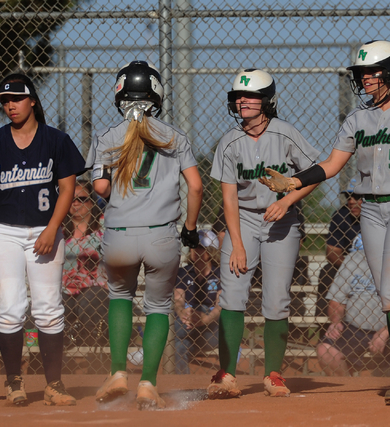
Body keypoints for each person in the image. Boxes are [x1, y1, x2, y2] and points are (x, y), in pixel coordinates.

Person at [260, 40, 390, 405]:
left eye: (373, 72)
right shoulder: (358, 118)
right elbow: (331, 165)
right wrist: (294, 182)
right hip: (370, 211)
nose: (366, 79)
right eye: (361, 74)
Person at [87, 61, 202, 410]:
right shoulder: (174, 136)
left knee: (120, 298)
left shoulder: (106, 137)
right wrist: (191, 229)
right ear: (157, 95)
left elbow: (100, 187)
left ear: (120, 94)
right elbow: (195, 186)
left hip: (119, 233)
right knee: (158, 307)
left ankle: (119, 372)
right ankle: (148, 384)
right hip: (161, 235)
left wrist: (123, 198)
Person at [0, 73, 85, 406]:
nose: (10, 106)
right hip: (2, 231)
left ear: (32, 100)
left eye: (16, 99)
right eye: (5, 101)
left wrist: (52, 228)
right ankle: (13, 381)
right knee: (10, 306)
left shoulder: (56, 140)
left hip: (44, 231)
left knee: (49, 309)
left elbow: (68, 189)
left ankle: (54, 385)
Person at [207, 68, 321, 399]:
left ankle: (273, 374)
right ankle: (226, 373)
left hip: (282, 221)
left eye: (251, 96)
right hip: (242, 219)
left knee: (276, 298)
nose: (243, 100)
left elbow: (317, 173)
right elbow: (228, 197)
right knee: (232, 294)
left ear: (266, 100)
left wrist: (287, 200)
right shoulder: (229, 142)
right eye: (239, 96)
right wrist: (237, 243)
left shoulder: (285, 134)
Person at [316, 235, 390, 376]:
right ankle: (348, 391)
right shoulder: (353, 259)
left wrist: (388, 331)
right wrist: (336, 321)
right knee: (325, 350)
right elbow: (336, 301)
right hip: (356, 328)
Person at [61, 181, 108, 348]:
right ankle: (50, 354)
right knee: (43, 308)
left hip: (97, 288)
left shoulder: (105, 225)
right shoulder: (59, 228)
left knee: (88, 303)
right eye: (71, 199)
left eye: (81, 199)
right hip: (65, 288)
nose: (75, 203)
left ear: (92, 201)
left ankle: (91, 353)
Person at [173, 229, 222, 374]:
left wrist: (205, 318)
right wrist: (182, 312)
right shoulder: (183, 272)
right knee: (178, 345)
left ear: (211, 251)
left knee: (201, 307)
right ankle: (181, 386)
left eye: (201, 247)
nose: (196, 250)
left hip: (210, 331)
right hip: (186, 327)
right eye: (193, 246)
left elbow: (220, 305)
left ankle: (150, 346)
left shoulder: (219, 273)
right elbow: (178, 301)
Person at [316, 176, 362, 315]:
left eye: (357, 197)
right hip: (347, 266)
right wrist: (349, 267)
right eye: (348, 197)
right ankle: (326, 328)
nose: (351, 201)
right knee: (327, 271)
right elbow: (332, 251)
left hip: (376, 267)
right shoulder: (341, 215)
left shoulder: (380, 216)